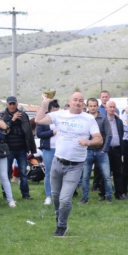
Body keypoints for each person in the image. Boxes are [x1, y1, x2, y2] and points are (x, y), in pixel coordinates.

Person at [35, 92, 103, 237]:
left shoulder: (89, 119)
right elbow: (38, 119)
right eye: (75, 100)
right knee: (55, 195)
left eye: (80, 101)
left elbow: (99, 139)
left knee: (65, 199)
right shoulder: (59, 114)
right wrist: (45, 102)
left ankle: (62, 226)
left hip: (75, 165)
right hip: (57, 162)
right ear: (69, 101)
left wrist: (88, 142)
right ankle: (59, 217)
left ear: (83, 104)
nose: (78, 103)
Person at [0, 96, 37, 200]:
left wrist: (30, 147)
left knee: (23, 173)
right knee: (6, 173)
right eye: (10, 104)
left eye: (13, 104)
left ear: (17, 104)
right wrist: (12, 119)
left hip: (22, 149)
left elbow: (28, 132)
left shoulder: (23, 115)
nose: (12, 106)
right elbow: (2, 130)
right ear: (6, 105)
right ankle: (5, 193)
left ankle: (25, 194)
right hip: (8, 149)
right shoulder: (2, 115)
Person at [80, 98, 113, 205]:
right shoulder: (83, 118)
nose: (92, 107)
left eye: (94, 105)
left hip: (101, 151)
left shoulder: (103, 118)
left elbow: (109, 134)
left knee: (107, 176)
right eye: (90, 105)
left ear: (97, 106)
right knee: (85, 177)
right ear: (87, 106)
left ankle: (109, 196)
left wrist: (105, 149)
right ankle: (84, 198)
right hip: (87, 151)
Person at [36, 99, 59, 205]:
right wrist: (52, 132)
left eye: (57, 110)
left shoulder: (61, 119)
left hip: (60, 149)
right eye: (54, 110)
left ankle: (59, 195)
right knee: (49, 172)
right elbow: (39, 134)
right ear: (49, 110)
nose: (56, 112)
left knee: (60, 172)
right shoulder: (43, 119)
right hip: (48, 149)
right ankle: (48, 196)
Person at [106, 100, 125, 200]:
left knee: (118, 172)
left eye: (114, 107)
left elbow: (121, 135)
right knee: (105, 173)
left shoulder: (119, 121)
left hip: (117, 149)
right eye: (110, 107)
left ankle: (119, 193)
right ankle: (104, 193)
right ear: (106, 108)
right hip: (106, 150)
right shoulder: (104, 120)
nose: (112, 109)